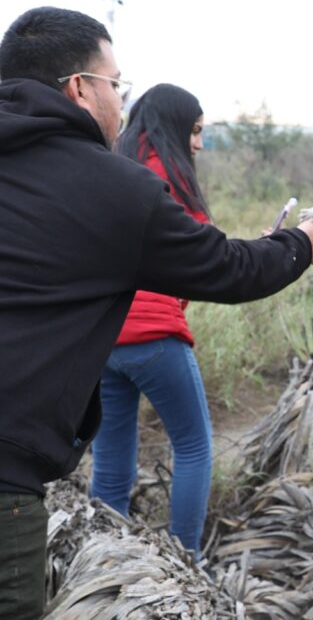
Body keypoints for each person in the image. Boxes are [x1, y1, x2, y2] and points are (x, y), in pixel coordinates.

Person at [0, 6, 313, 619]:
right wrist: (303, 243)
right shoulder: (115, 186)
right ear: (80, 88)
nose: (121, 106)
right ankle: (183, 558)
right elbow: (232, 268)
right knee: (192, 445)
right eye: (116, 86)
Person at [89, 83, 218, 559]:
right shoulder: (169, 177)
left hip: (104, 338)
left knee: (109, 461)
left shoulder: (113, 166)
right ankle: (186, 560)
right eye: (196, 131)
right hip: (156, 334)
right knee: (193, 448)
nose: (199, 144)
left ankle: (101, 560)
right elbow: (204, 258)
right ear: (176, 126)